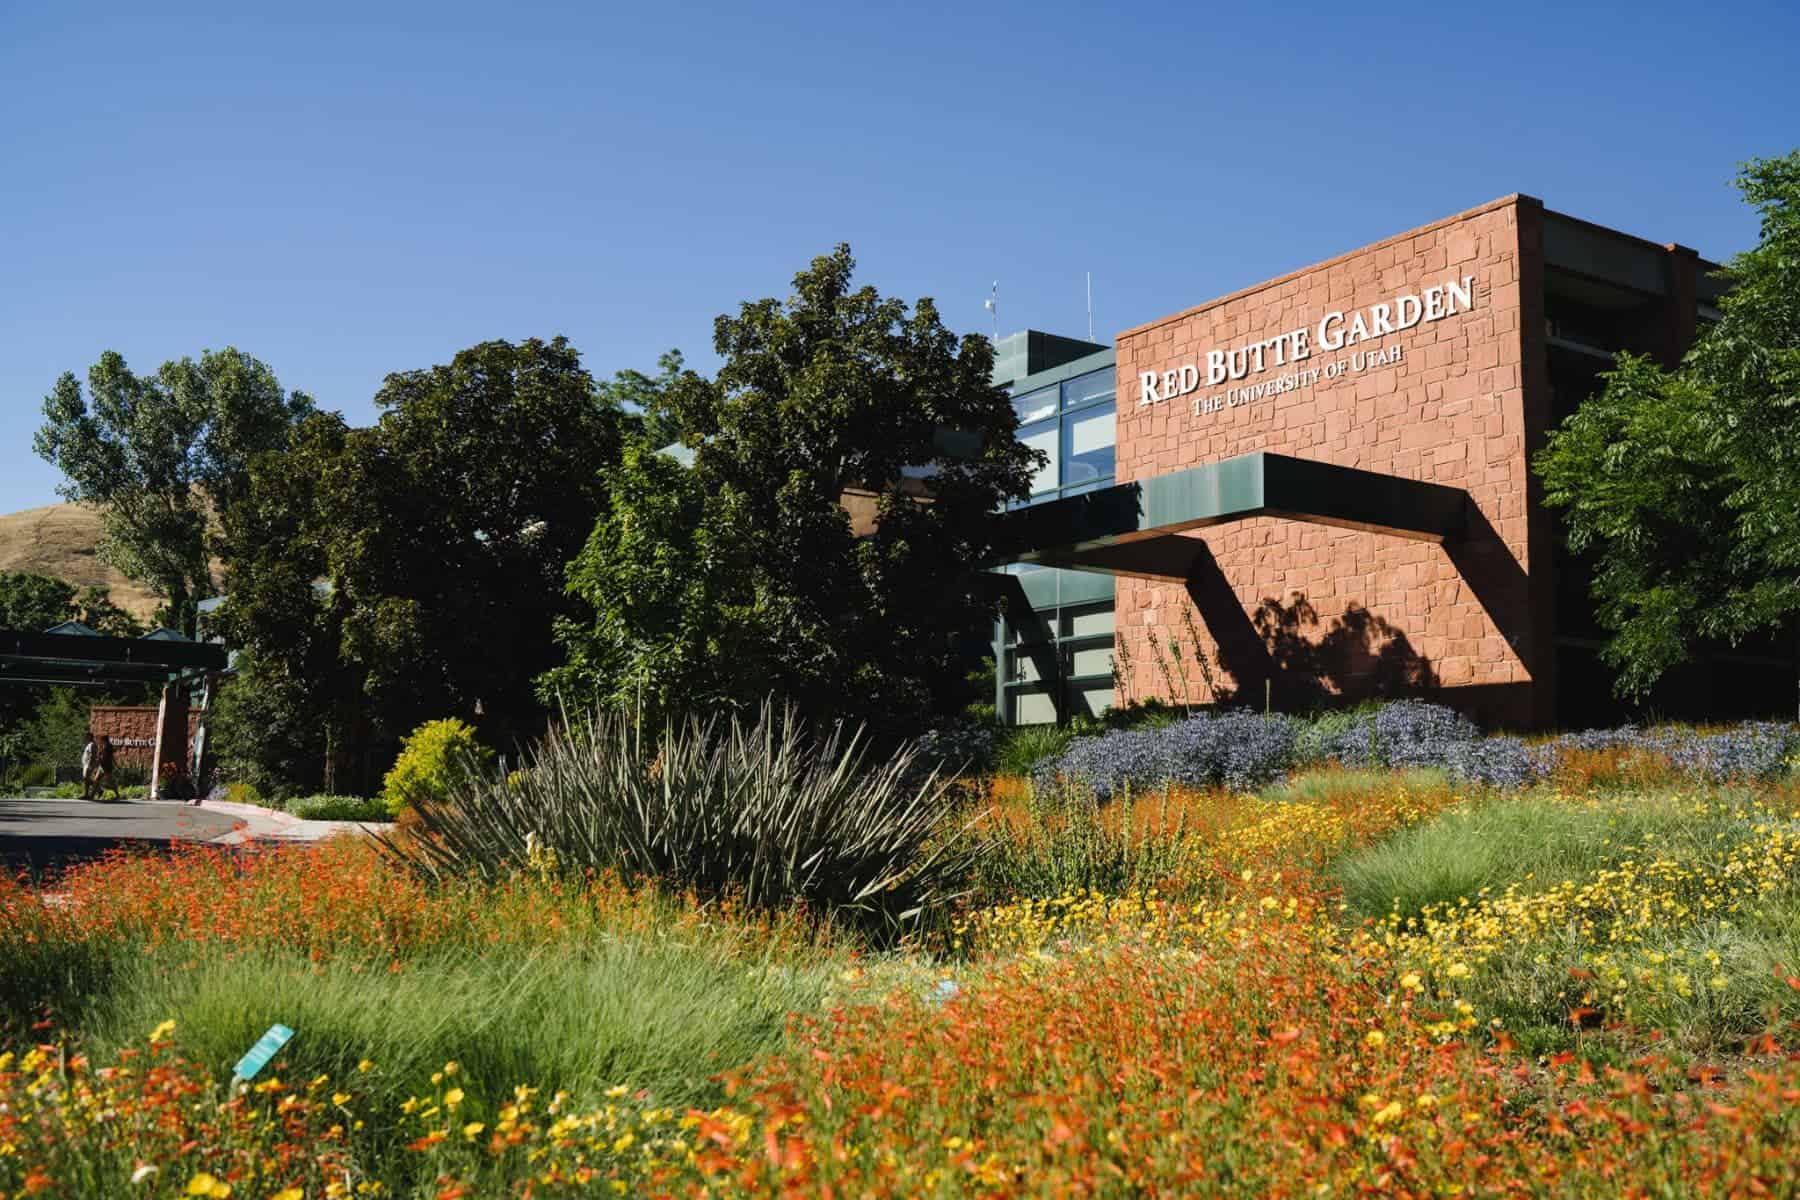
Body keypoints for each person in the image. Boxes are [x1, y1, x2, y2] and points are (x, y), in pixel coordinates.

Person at [93, 734, 120, 801]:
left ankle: (117, 795)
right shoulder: (104, 746)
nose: (100, 740)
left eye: (101, 739)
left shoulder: (107, 746)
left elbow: (106, 757)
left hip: (106, 767)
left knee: (110, 781)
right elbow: (111, 757)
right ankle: (96, 793)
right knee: (96, 780)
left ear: (104, 740)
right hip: (102, 766)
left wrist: (98, 759)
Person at [79, 732, 96, 800]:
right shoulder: (89, 744)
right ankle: (99, 789)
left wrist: (89, 765)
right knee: (86, 779)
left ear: (89, 737)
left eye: (86, 736)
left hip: (88, 764)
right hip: (86, 764)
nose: (85, 738)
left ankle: (86, 794)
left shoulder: (92, 744)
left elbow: (92, 755)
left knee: (86, 778)